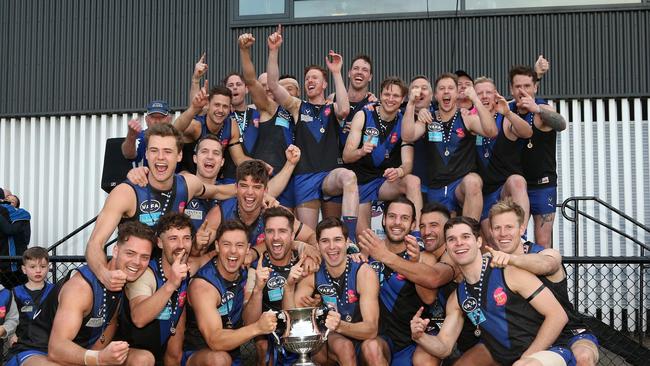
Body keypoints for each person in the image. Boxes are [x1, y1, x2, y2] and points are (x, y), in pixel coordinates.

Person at [85, 123, 236, 292]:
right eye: (154, 150)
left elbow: (217, 191)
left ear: (179, 155)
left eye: (168, 151)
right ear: (147, 154)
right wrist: (104, 274)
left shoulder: (188, 185)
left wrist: (259, 193)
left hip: (171, 278)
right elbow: (94, 244)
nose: (161, 157)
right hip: (132, 281)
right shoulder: (126, 193)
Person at [410, 216, 575, 366]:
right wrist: (421, 337)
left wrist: (527, 357)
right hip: (507, 359)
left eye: (466, 237)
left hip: (548, 352)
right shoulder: (458, 298)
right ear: (447, 247)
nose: (458, 243)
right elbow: (444, 347)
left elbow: (558, 316)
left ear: (479, 242)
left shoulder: (509, 272)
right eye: (452, 239)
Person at [6, 221, 157, 366]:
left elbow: (104, 333)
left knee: (143, 359)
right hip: (38, 351)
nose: (137, 262)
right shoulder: (81, 287)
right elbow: (57, 349)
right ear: (116, 250)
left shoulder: (122, 282)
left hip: (81, 351)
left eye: (145, 257)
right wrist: (98, 359)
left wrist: (97, 358)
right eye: (130, 253)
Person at [266, 25, 360, 242]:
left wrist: (336, 72)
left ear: (325, 83)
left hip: (329, 176)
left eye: (315, 77)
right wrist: (273, 51)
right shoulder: (298, 106)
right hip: (304, 177)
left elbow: (345, 109)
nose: (309, 80)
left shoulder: (332, 107)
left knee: (348, 177)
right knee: (308, 239)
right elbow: (272, 84)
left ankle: (351, 241)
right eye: (307, 78)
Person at [487, 198, 599, 366]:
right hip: (527, 337)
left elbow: (547, 264)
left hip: (568, 332)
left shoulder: (547, 253)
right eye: (497, 228)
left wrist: (512, 260)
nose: (503, 233)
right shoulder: (490, 261)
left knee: (583, 358)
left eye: (509, 227)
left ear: (522, 229)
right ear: (491, 231)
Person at [282, 217, 383, 366]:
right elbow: (293, 319)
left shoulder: (364, 272)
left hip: (366, 337)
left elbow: (371, 330)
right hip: (336, 339)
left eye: (337, 240)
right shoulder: (313, 271)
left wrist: (339, 325)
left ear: (347, 242)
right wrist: (289, 287)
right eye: (325, 241)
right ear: (317, 245)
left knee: (372, 348)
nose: (331, 246)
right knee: (343, 347)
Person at [402, 73, 497, 221]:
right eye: (442, 88)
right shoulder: (428, 118)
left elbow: (491, 131)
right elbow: (407, 136)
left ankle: (470, 232)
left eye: (451, 88)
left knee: (473, 181)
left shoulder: (466, 118)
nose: (446, 91)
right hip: (436, 188)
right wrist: (411, 104)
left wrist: (476, 100)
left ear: (457, 94)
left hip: (459, 187)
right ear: (435, 95)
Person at [355, 196, 439, 364]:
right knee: (371, 348)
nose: (397, 222)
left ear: (413, 224)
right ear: (384, 220)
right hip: (382, 339)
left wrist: (414, 264)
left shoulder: (424, 257)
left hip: (414, 339)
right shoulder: (367, 251)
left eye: (404, 218)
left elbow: (429, 298)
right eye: (392, 216)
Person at [182, 219, 278, 366]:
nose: (233, 251)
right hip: (199, 354)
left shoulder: (243, 274)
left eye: (239, 245)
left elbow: (248, 321)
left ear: (247, 249)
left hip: (232, 354)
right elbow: (215, 341)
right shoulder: (203, 286)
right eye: (226, 244)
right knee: (219, 359)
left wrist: (258, 290)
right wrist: (258, 327)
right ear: (217, 246)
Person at [343, 77, 422, 232]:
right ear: (380, 95)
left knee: (413, 181)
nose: (390, 99)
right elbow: (346, 156)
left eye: (396, 96)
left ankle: (417, 233)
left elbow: (407, 163)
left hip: (385, 182)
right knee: (364, 240)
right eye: (387, 94)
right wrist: (360, 151)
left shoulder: (404, 120)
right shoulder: (364, 115)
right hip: (361, 182)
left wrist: (399, 171)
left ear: (403, 99)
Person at [119, 212, 194, 365]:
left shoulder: (184, 272)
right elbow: (139, 318)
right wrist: (171, 284)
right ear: (159, 243)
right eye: (173, 239)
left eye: (186, 238)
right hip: (122, 354)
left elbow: (174, 351)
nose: (181, 245)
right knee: (144, 360)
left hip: (156, 354)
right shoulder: (146, 273)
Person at [238, 33, 300, 209]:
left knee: (287, 229)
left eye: (290, 88)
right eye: (282, 87)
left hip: (294, 178)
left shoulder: (304, 112)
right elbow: (250, 81)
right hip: (268, 177)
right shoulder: (270, 108)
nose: (286, 91)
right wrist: (244, 51)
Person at [509, 65, 567, 248]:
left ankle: (547, 277)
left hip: (543, 185)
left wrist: (538, 110)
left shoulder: (543, 108)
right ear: (511, 89)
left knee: (543, 241)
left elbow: (562, 124)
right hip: (516, 186)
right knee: (516, 239)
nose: (522, 91)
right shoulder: (507, 109)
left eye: (527, 86)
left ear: (535, 87)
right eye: (518, 86)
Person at [243, 207, 308, 366]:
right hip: (266, 333)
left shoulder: (305, 263)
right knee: (263, 345)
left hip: (298, 330)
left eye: (282, 231)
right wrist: (258, 288)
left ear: (292, 235)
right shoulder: (255, 268)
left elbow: (295, 320)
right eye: (270, 231)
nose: (276, 237)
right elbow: (248, 322)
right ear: (264, 235)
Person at [472, 77, 533, 246]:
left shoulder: (505, 118)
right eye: (479, 93)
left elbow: (527, 132)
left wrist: (508, 112)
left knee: (517, 181)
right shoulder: (468, 120)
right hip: (482, 195)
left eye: (488, 92)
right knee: (493, 244)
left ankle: (522, 235)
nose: (484, 97)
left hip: (504, 191)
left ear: (496, 95)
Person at [11, 247, 54, 345]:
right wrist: (12, 335)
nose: (38, 270)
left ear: (49, 267)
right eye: (33, 267)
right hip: (22, 343)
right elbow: (10, 318)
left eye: (43, 266)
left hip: (48, 343)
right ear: (24, 269)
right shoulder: (16, 293)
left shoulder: (55, 291)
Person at [121, 100, 173, 168]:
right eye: (153, 117)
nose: (157, 121)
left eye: (161, 117)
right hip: (143, 178)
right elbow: (128, 154)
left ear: (169, 119)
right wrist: (131, 135)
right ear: (146, 119)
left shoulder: (176, 138)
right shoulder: (139, 137)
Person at [0, 194, 31, 289]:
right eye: (6, 200)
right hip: (3, 261)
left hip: (16, 261)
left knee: (18, 289)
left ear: (16, 206)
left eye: (12, 201)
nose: (8, 202)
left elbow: (11, 231)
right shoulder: (4, 215)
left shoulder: (21, 215)